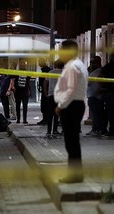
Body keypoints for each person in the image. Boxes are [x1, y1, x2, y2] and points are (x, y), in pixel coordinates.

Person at [54, 40, 88, 183]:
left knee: (71, 142)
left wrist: (61, 105)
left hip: (71, 106)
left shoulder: (72, 67)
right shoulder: (79, 65)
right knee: (73, 141)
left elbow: (70, 90)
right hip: (76, 105)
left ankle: (74, 175)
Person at [86, 56, 107, 136]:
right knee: (99, 114)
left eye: (92, 63)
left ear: (97, 63)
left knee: (96, 114)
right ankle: (100, 129)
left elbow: (88, 82)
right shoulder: (100, 71)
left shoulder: (96, 72)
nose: (91, 64)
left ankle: (96, 130)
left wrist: (89, 72)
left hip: (94, 96)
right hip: (98, 96)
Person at [44, 59, 64, 138]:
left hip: (51, 95)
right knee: (57, 114)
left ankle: (49, 131)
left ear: (55, 65)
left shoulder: (50, 72)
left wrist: (45, 93)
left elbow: (45, 83)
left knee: (50, 114)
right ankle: (55, 130)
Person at [37, 58, 51, 125]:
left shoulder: (47, 70)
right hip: (44, 89)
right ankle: (45, 119)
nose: (39, 64)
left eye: (39, 62)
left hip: (46, 90)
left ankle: (46, 119)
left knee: (45, 105)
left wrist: (45, 91)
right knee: (44, 105)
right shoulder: (44, 70)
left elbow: (46, 81)